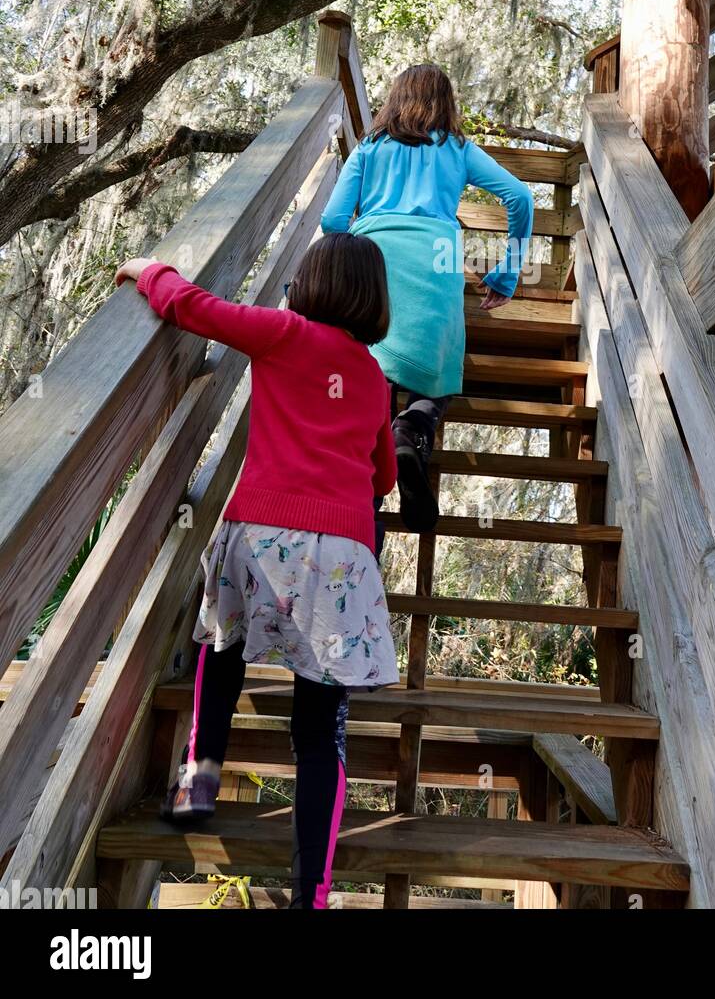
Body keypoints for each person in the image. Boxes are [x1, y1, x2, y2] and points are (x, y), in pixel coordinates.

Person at [114, 233, 397, 910]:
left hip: (260, 534)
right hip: (340, 555)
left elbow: (193, 306)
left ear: (309, 283)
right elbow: (383, 474)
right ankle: (313, 890)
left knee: (222, 646)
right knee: (319, 726)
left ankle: (199, 780)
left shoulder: (281, 334)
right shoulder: (372, 377)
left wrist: (148, 269)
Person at [321, 63, 534, 538]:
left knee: (368, 382)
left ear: (395, 100)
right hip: (437, 259)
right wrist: (506, 272)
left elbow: (332, 220)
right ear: (446, 104)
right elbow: (520, 197)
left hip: (373, 264)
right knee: (436, 375)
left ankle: (364, 515)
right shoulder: (457, 148)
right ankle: (412, 433)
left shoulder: (370, 148)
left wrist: (359, 239)